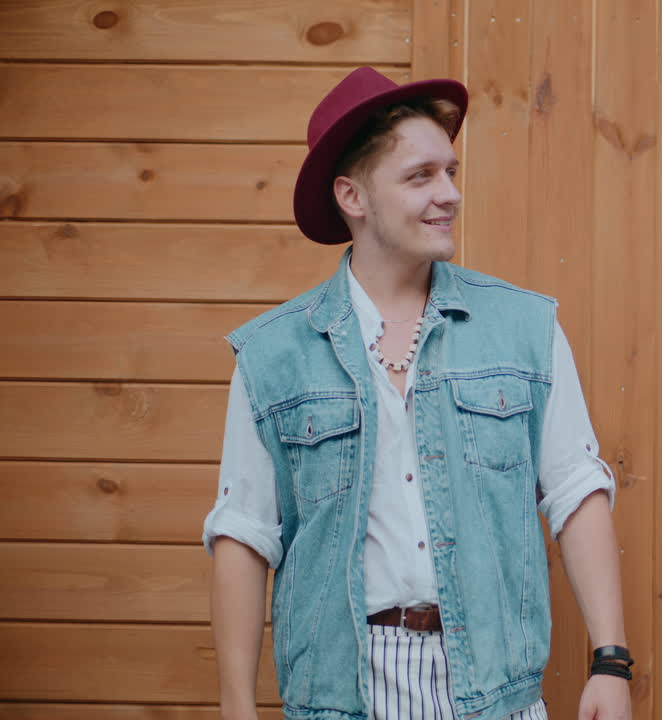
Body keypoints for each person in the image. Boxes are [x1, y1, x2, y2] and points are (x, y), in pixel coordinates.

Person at [202, 66, 632, 720]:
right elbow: (244, 534)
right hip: (341, 697)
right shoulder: (273, 354)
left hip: (496, 694)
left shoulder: (524, 329)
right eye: (420, 176)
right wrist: (236, 708)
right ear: (353, 195)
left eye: (451, 172)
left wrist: (611, 660)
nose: (450, 194)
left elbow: (576, 489)